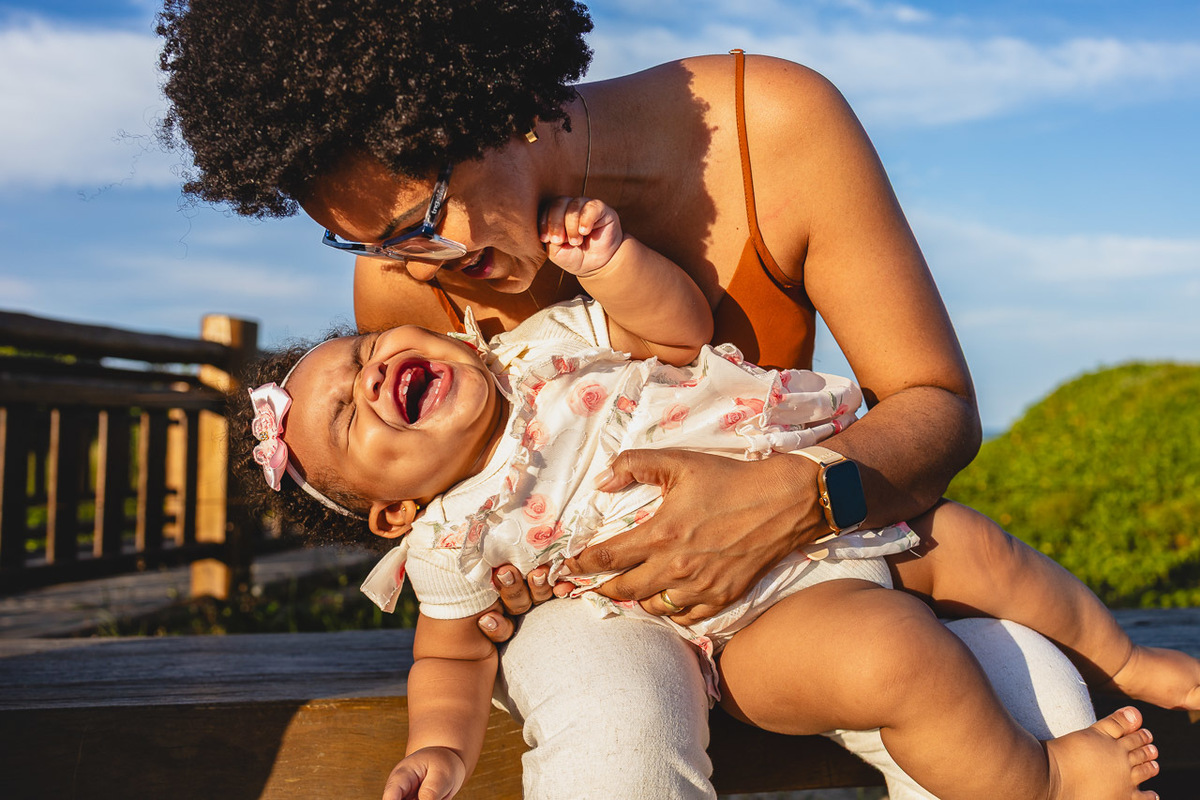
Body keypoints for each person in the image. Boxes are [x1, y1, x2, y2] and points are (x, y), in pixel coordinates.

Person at [156, 2, 1165, 797]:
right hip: (610, 615)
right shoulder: (406, 293)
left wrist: (800, 497)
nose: (414, 267)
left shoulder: (776, 130)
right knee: (618, 726)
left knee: (1030, 686)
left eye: (420, 219)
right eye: (365, 242)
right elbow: (441, 568)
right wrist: (492, 615)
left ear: (484, 103)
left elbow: (932, 405)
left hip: (813, 573)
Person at [232, 197, 1190, 800]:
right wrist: (441, 748)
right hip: (752, 623)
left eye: (364, 353)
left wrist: (613, 266)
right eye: (348, 416)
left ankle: (1126, 657)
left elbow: (678, 330)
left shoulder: (540, 347)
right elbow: (448, 659)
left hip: (831, 512)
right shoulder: (452, 536)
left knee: (977, 544)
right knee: (901, 657)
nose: (371, 376)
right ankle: (1044, 781)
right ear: (391, 516)